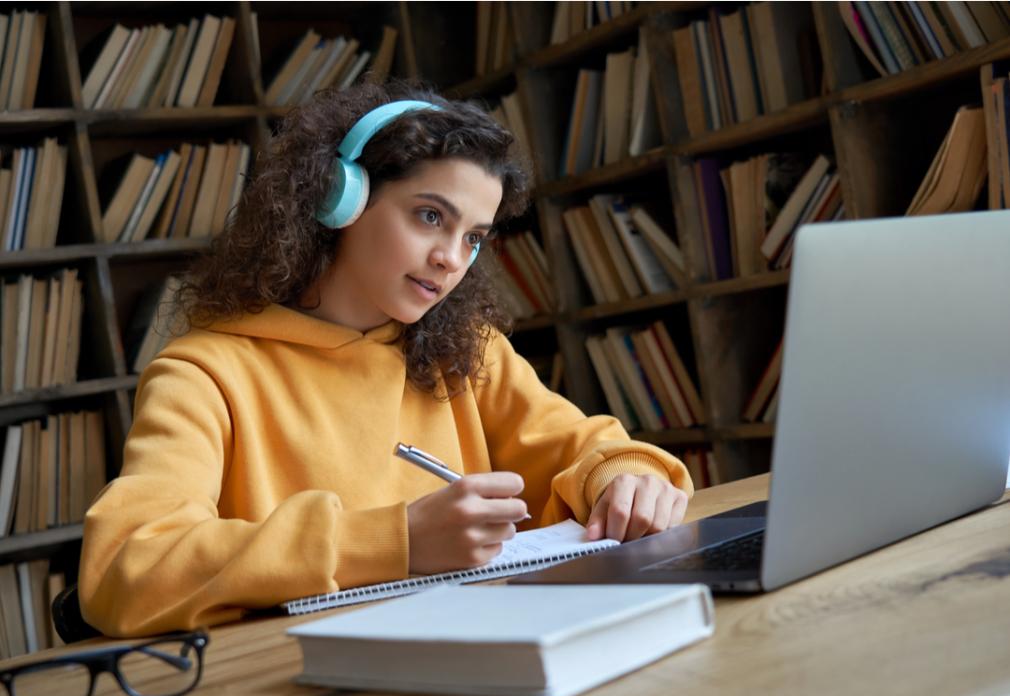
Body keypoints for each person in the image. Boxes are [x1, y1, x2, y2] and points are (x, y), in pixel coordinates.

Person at [79, 81, 693, 637]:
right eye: (431, 216)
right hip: (301, 684)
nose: (452, 258)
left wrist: (623, 479)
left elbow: (583, 446)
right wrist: (393, 541)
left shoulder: (468, 351)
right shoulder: (204, 375)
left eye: (473, 237)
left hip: (475, 650)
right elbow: (128, 569)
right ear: (337, 201)